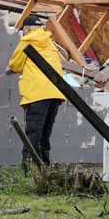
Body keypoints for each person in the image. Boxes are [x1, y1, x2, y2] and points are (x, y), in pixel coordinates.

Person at [6, 15, 66, 169]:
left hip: (38, 93)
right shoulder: (50, 42)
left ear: (26, 29)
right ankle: (44, 167)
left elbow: (16, 64)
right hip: (56, 93)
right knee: (45, 133)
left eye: (23, 30)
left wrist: (10, 70)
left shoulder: (27, 40)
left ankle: (28, 169)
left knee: (33, 132)